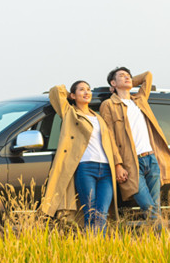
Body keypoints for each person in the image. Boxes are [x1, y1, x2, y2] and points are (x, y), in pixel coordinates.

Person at [39, 81, 122, 231]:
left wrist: (117, 164)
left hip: (106, 169)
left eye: (88, 89)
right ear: (73, 95)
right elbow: (56, 91)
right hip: (86, 168)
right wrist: (68, 93)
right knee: (90, 212)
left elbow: (110, 143)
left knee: (102, 213)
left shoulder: (98, 118)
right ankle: (91, 242)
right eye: (81, 90)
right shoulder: (70, 113)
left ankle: (99, 243)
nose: (86, 92)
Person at [99, 67, 170, 221]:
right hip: (131, 162)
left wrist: (127, 83)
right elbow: (109, 137)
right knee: (148, 207)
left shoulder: (140, 100)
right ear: (113, 83)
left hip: (151, 159)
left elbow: (148, 75)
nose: (127, 77)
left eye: (129, 76)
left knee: (155, 206)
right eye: (122, 76)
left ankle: (157, 236)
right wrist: (118, 164)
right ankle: (164, 235)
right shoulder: (108, 105)